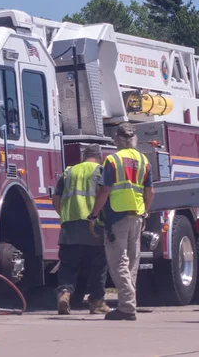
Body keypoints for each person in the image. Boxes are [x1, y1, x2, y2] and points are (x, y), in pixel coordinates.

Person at [89, 122, 154, 321]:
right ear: (135, 139)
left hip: (117, 217)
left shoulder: (113, 160)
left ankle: (127, 306)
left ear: (116, 139)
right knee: (132, 264)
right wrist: (145, 212)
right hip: (138, 215)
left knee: (118, 263)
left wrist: (93, 215)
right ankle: (129, 304)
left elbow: (104, 191)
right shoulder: (144, 160)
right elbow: (150, 191)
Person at [53, 144, 110, 315]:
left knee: (68, 265)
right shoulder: (101, 170)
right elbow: (105, 194)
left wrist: (65, 215)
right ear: (99, 156)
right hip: (93, 225)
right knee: (98, 266)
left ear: (83, 156)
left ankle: (64, 293)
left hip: (69, 226)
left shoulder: (69, 172)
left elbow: (56, 199)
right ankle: (97, 302)